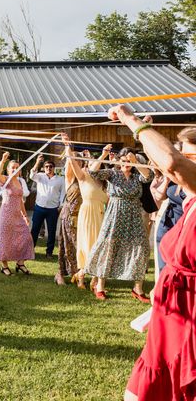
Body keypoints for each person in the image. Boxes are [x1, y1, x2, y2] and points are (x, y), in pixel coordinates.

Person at [97, 106, 196, 401]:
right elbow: (165, 162)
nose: (182, 157)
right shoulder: (189, 199)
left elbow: (172, 163)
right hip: (172, 309)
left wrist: (131, 120)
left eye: (190, 153)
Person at [84, 147, 153, 301]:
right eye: (124, 161)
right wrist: (104, 154)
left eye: (129, 161)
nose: (127, 163)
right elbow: (93, 172)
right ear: (119, 161)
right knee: (109, 246)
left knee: (141, 247)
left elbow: (148, 176)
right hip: (115, 214)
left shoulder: (137, 176)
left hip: (134, 214)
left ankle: (138, 288)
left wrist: (135, 161)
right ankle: (100, 285)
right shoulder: (112, 173)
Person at [61, 137, 108, 290]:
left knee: (100, 248)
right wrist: (68, 148)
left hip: (102, 216)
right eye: (92, 163)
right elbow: (73, 165)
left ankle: (94, 279)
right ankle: (81, 275)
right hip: (87, 216)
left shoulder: (105, 183)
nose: (94, 165)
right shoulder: (83, 177)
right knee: (88, 246)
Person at [0, 152, 35, 276]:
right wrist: (3, 160)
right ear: (8, 169)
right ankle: (4, 266)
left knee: (26, 238)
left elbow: (20, 200)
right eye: (13, 167)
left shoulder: (20, 182)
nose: (15, 169)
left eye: (17, 167)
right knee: (5, 241)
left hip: (18, 216)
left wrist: (25, 215)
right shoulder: (5, 180)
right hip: (6, 215)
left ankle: (20, 263)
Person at [54, 145, 81, 286]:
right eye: (75, 161)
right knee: (67, 245)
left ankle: (77, 274)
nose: (78, 163)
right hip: (69, 216)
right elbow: (70, 166)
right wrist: (68, 147)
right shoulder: (69, 178)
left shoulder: (84, 177)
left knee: (79, 246)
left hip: (81, 217)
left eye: (80, 161)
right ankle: (60, 274)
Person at [30, 155, 65, 258]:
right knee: (35, 230)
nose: (48, 168)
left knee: (51, 231)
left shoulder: (60, 179)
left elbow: (63, 193)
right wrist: (37, 162)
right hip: (39, 207)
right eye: (46, 166)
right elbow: (32, 175)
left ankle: (49, 252)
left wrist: (61, 206)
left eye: (50, 166)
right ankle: (30, 250)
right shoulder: (40, 176)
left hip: (53, 209)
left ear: (54, 168)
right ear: (44, 168)